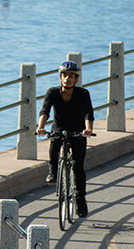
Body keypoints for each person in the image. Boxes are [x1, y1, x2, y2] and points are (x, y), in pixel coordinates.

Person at [36, 61, 94, 217]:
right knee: (54, 141)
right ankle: (53, 171)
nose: (67, 78)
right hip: (59, 127)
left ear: (76, 79)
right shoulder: (52, 92)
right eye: (64, 75)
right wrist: (40, 127)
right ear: (60, 78)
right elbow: (45, 111)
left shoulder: (83, 94)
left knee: (78, 165)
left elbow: (88, 113)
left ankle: (80, 199)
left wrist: (88, 129)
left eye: (71, 76)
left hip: (78, 130)